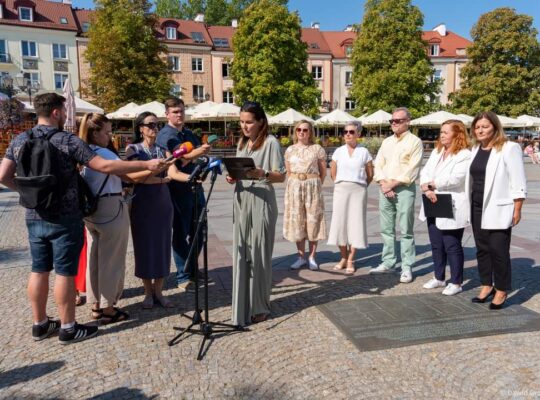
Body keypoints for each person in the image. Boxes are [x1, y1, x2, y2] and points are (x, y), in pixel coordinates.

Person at [0, 93, 165, 344]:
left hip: (34, 215)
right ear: (55, 112)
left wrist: (31, 195)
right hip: (65, 216)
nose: (66, 115)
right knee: (65, 273)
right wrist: (148, 166)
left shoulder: (20, 139)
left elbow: (3, 176)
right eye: (64, 111)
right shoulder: (66, 140)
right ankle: (68, 327)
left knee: (39, 270)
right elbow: (105, 166)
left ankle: (40, 324)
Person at [80, 113, 168, 324]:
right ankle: (108, 308)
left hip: (90, 210)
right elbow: (126, 176)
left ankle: (95, 304)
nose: (110, 137)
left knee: (94, 259)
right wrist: (150, 169)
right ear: (95, 132)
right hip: (110, 207)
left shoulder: (83, 151)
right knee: (111, 261)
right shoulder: (104, 154)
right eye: (108, 132)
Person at [226, 101, 286, 326]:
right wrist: (233, 176)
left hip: (262, 200)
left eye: (249, 122)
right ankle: (242, 303)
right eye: (241, 122)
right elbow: (239, 169)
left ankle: (260, 305)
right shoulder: (242, 143)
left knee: (260, 255)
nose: (244, 126)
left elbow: (281, 176)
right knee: (242, 253)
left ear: (261, 122)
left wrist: (264, 172)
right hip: (242, 198)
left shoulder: (270, 142)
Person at [126, 112, 189, 308]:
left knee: (162, 246)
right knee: (144, 246)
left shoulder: (163, 150)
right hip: (142, 203)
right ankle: (147, 292)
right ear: (141, 128)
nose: (155, 129)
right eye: (151, 125)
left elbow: (173, 172)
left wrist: (190, 178)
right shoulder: (132, 149)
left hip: (162, 202)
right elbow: (135, 177)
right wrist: (160, 177)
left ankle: (159, 291)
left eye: (157, 125)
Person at [468, 111, 526, 309]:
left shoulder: (509, 148)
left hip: (499, 207)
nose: (480, 130)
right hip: (476, 205)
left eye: (485, 126)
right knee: (482, 249)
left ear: (495, 127)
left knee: (499, 250)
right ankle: (486, 284)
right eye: (477, 127)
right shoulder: (475, 149)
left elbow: (518, 180)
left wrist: (517, 208)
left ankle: (501, 289)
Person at [156, 97, 211, 291]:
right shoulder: (165, 135)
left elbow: (197, 157)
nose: (179, 115)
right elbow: (180, 159)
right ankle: (183, 276)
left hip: (196, 188)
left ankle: (192, 268)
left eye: (181, 111)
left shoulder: (189, 133)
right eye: (175, 112)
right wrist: (197, 153)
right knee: (181, 233)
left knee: (200, 231)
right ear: (167, 114)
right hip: (177, 191)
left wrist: (199, 156)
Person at [369, 107, 423, 283]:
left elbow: (412, 168)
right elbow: (379, 164)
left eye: (398, 121)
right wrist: (384, 183)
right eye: (392, 121)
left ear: (408, 121)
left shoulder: (415, 142)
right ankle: (388, 261)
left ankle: (407, 266)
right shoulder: (387, 142)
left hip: (404, 188)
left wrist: (392, 184)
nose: (394, 124)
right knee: (386, 228)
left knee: (406, 229)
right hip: (385, 187)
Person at [419, 120, 471, 295]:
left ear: (458, 134)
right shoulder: (437, 151)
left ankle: (456, 282)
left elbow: (456, 178)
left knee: (451, 244)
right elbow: (424, 172)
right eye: (441, 132)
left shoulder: (464, 154)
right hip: (432, 200)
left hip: (451, 203)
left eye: (446, 132)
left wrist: (432, 185)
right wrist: (427, 188)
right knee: (436, 244)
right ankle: (439, 277)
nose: (441, 135)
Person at [326, 122, 373, 275]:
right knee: (340, 223)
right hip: (341, 189)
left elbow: (370, 174)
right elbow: (333, 173)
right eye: (345, 131)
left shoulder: (364, 152)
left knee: (355, 224)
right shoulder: (338, 151)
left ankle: (351, 259)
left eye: (351, 132)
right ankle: (343, 257)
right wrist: (342, 183)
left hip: (358, 190)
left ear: (358, 134)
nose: (347, 134)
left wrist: (360, 185)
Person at [283, 120, 327, 270]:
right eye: (299, 130)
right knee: (298, 221)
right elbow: (289, 172)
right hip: (295, 187)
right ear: (295, 132)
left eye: (305, 130)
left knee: (313, 220)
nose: (301, 132)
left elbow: (323, 172)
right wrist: (294, 185)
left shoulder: (317, 149)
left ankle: (312, 257)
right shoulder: (289, 150)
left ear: (310, 132)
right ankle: (300, 257)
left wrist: (314, 185)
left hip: (312, 187)